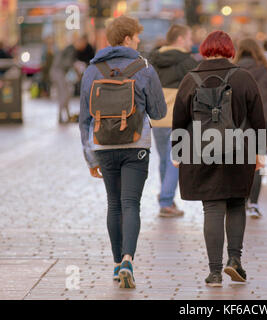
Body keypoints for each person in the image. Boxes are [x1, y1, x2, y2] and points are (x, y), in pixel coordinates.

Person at [172, 31, 266, 287]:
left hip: (200, 151)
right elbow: (258, 118)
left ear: (204, 50)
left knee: (212, 208)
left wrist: (177, 151)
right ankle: (234, 261)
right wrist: (260, 152)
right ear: (230, 50)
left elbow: (179, 119)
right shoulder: (244, 77)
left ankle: (214, 273)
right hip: (239, 151)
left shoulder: (190, 80)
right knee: (236, 204)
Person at [79, 15, 167, 288]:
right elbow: (160, 111)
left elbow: (84, 118)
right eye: (137, 35)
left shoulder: (92, 70)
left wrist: (90, 156)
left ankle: (117, 265)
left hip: (103, 146)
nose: (139, 40)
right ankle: (129, 258)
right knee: (131, 204)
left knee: (113, 204)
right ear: (128, 38)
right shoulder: (144, 68)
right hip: (136, 145)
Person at [149, 24, 198, 217]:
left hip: (157, 118)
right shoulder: (187, 62)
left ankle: (166, 197)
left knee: (164, 160)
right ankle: (166, 201)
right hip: (177, 118)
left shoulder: (154, 59)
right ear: (180, 39)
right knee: (175, 161)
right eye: (189, 38)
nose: (191, 42)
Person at [234, 38, 267, 218]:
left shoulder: (234, 70)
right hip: (264, 121)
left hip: (240, 122)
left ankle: (242, 200)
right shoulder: (266, 70)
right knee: (256, 164)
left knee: (239, 162)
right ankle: (253, 203)